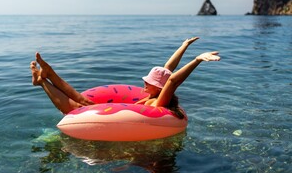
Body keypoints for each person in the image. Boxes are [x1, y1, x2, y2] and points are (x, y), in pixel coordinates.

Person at [30, 37, 220, 115]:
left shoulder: (160, 100)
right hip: (119, 110)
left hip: (119, 116)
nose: (144, 82)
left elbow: (172, 80)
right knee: (82, 99)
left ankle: (43, 82)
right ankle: (48, 75)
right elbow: (168, 69)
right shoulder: (155, 94)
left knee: (77, 107)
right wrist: (184, 45)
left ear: (160, 88)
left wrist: (197, 60)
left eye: (149, 82)